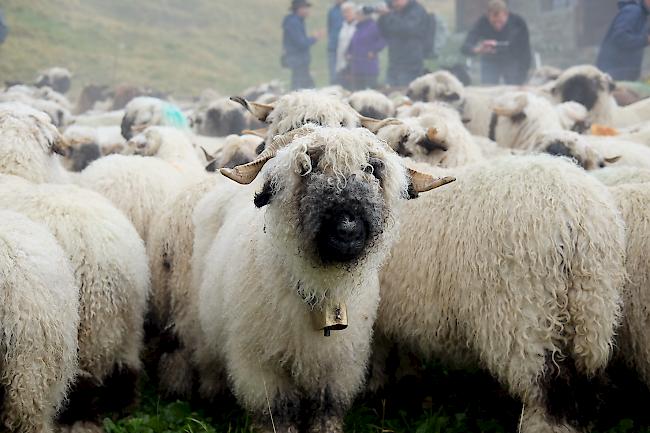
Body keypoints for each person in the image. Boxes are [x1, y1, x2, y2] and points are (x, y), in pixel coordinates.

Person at [461, 0, 531, 85]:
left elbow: (524, 50)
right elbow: (465, 46)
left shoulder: (518, 23)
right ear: (487, 16)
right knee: (488, 90)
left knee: (514, 89)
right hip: (490, 61)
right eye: (494, 22)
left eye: (500, 22)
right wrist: (478, 49)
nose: (497, 25)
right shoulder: (482, 22)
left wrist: (522, 76)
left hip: (512, 60)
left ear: (506, 14)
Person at [377, 0, 430, 87]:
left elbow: (407, 29)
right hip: (394, 61)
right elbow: (384, 32)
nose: (394, 3)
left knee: (406, 92)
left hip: (411, 62)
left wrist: (389, 15)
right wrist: (383, 17)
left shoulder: (416, 10)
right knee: (391, 93)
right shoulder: (395, 12)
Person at [596, 0, 650, 81]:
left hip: (623, 73)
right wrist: (645, 40)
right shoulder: (633, 11)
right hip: (614, 72)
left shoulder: (642, 15)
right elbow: (620, 37)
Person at [282, 0, 324, 90]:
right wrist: (314, 38)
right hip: (298, 61)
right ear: (299, 9)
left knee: (301, 87)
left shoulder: (296, 21)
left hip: (299, 61)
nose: (308, 10)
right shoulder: (294, 22)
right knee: (305, 88)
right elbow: (301, 43)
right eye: (305, 8)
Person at [347, 8, 386, 90]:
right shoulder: (358, 28)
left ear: (364, 16)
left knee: (371, 90)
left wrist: (374, 51)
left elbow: (382, 41)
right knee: (357, 91)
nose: (356, 16)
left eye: (358, 14)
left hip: (369, 67)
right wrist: (348, 52)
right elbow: (353, 42)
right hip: (356, 67)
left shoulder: (374, 26)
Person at [335, 2, 358, 88]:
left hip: (353, 64)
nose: (346, 14)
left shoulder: (358, 26)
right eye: (344, 12)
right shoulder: (343, 27)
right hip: (341, 64)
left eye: (348, 12)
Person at [327, 0, 345, 84]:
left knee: (344, 74)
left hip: (346, 48)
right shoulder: (332, 11)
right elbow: (330, 27)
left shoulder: (350, 9)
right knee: (333, 74)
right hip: (333, 46)